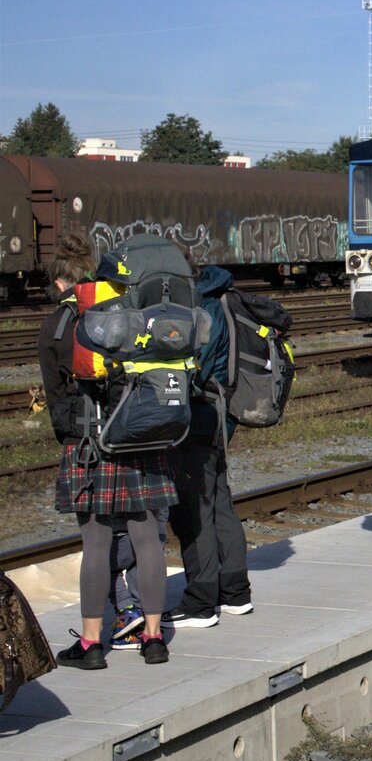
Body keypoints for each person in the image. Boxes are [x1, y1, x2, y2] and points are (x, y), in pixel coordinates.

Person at [37, 233, 171, 668]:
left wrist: (73, 436)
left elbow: (56, 393)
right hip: (137, 432)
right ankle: (153, 638)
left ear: (61, 282)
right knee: (147, 536)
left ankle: (92, 644)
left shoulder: (60, 322)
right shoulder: (126, 307)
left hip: (88, 440)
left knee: (95, 542)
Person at [163, 262, 253, 628]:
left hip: (198, 413)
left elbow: (192, 366)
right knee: (220, 502)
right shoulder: (224, 297)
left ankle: (200, 602)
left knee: (194, 508)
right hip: (222, 414)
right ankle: (235, 593)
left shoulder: (197, 307)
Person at [107, 507, 169, 649]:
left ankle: (127, 610)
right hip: (156, 502)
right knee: (147, 560)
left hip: (119, 513)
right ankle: (146, 623)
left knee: (101, 564)